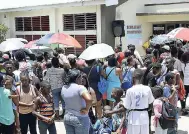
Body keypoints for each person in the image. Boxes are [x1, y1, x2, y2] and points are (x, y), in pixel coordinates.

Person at [123, 69, 154, 134]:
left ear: (133, 78)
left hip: (133, 117)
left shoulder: (129, 90)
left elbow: (126, 106)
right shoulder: (147, 88)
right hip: (144, 116)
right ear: (142, 77)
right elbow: (151, 104)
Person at [61, 69, 92, 134]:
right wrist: (87, 109)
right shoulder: (80, 88)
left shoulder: (64, 87)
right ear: (77, 78)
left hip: (67, 117)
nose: (82, 79)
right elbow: (89, 99)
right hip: (80, 118)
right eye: (81, 77)